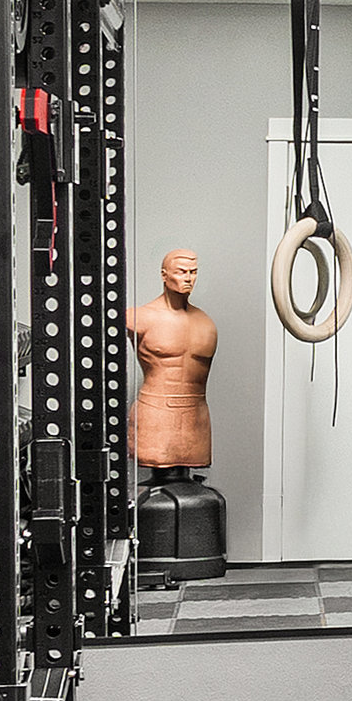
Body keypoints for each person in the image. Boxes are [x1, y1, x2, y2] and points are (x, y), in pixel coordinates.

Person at [132, 249, 225, 582]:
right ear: (164, 274)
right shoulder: (139, 318)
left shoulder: (205, 321)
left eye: (193, 272)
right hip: (155, 412)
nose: (187, 277)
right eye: (181, 271)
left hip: (196, 414)